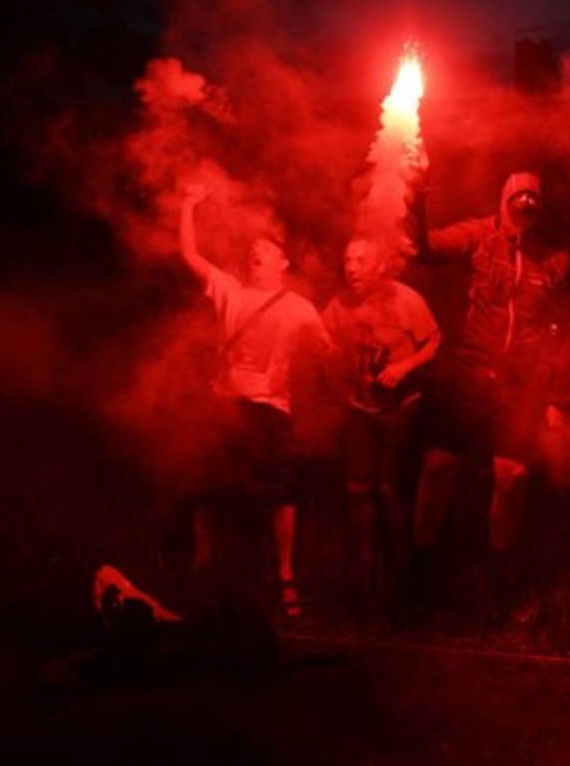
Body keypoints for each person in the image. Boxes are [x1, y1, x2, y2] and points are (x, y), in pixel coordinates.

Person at [409, 170, 570, 613]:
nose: (524, 202)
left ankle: (499, 578)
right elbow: (425, 248)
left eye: (532, 197)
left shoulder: (552, 258)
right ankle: (418, 572)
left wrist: (558, 395)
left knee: (512, 475)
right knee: (439, 465)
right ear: (503, 201)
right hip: (468, 366)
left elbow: (564, 327)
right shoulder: (478, 235)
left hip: (519, 377)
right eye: (516, 195)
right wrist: (417, 198)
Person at [178, 183, 328, 619]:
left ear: (283, 263)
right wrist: (188, 204)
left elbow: (325, 350)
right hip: (225, 406)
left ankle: (284, 576)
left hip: (271, 411)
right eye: (253, 248)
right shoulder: (230, 290)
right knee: (210, 488)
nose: (255, 251)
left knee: (282, 492)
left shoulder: (300, 307)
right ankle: (206, 567)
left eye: (266, 247)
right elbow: (190, 254)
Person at [321, 236, 440, 615]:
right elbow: (322, 339)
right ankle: (366, 563)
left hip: (399, 408)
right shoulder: (340, 305)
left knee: (389, 490)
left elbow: (435, 341)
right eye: (347, 259)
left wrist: (403, 368)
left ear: (379, 266)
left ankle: (401, 570)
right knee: (357, 488)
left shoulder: (406, 299)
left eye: (361, 260)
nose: (351, 267)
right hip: (359, 406)